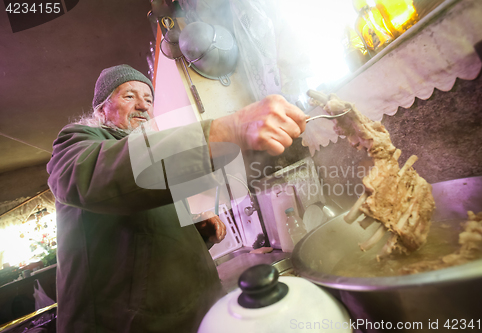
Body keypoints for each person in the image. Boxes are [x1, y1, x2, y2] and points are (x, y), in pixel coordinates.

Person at [47, 64, 307, 333]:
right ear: (101, 108)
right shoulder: (77, 142)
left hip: (195, 314)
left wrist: (197, 234)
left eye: (149, 99)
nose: (143, 106)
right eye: (129, 96)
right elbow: (101, 176)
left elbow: (147, 242)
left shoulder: (157, 159)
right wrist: (225, 132)